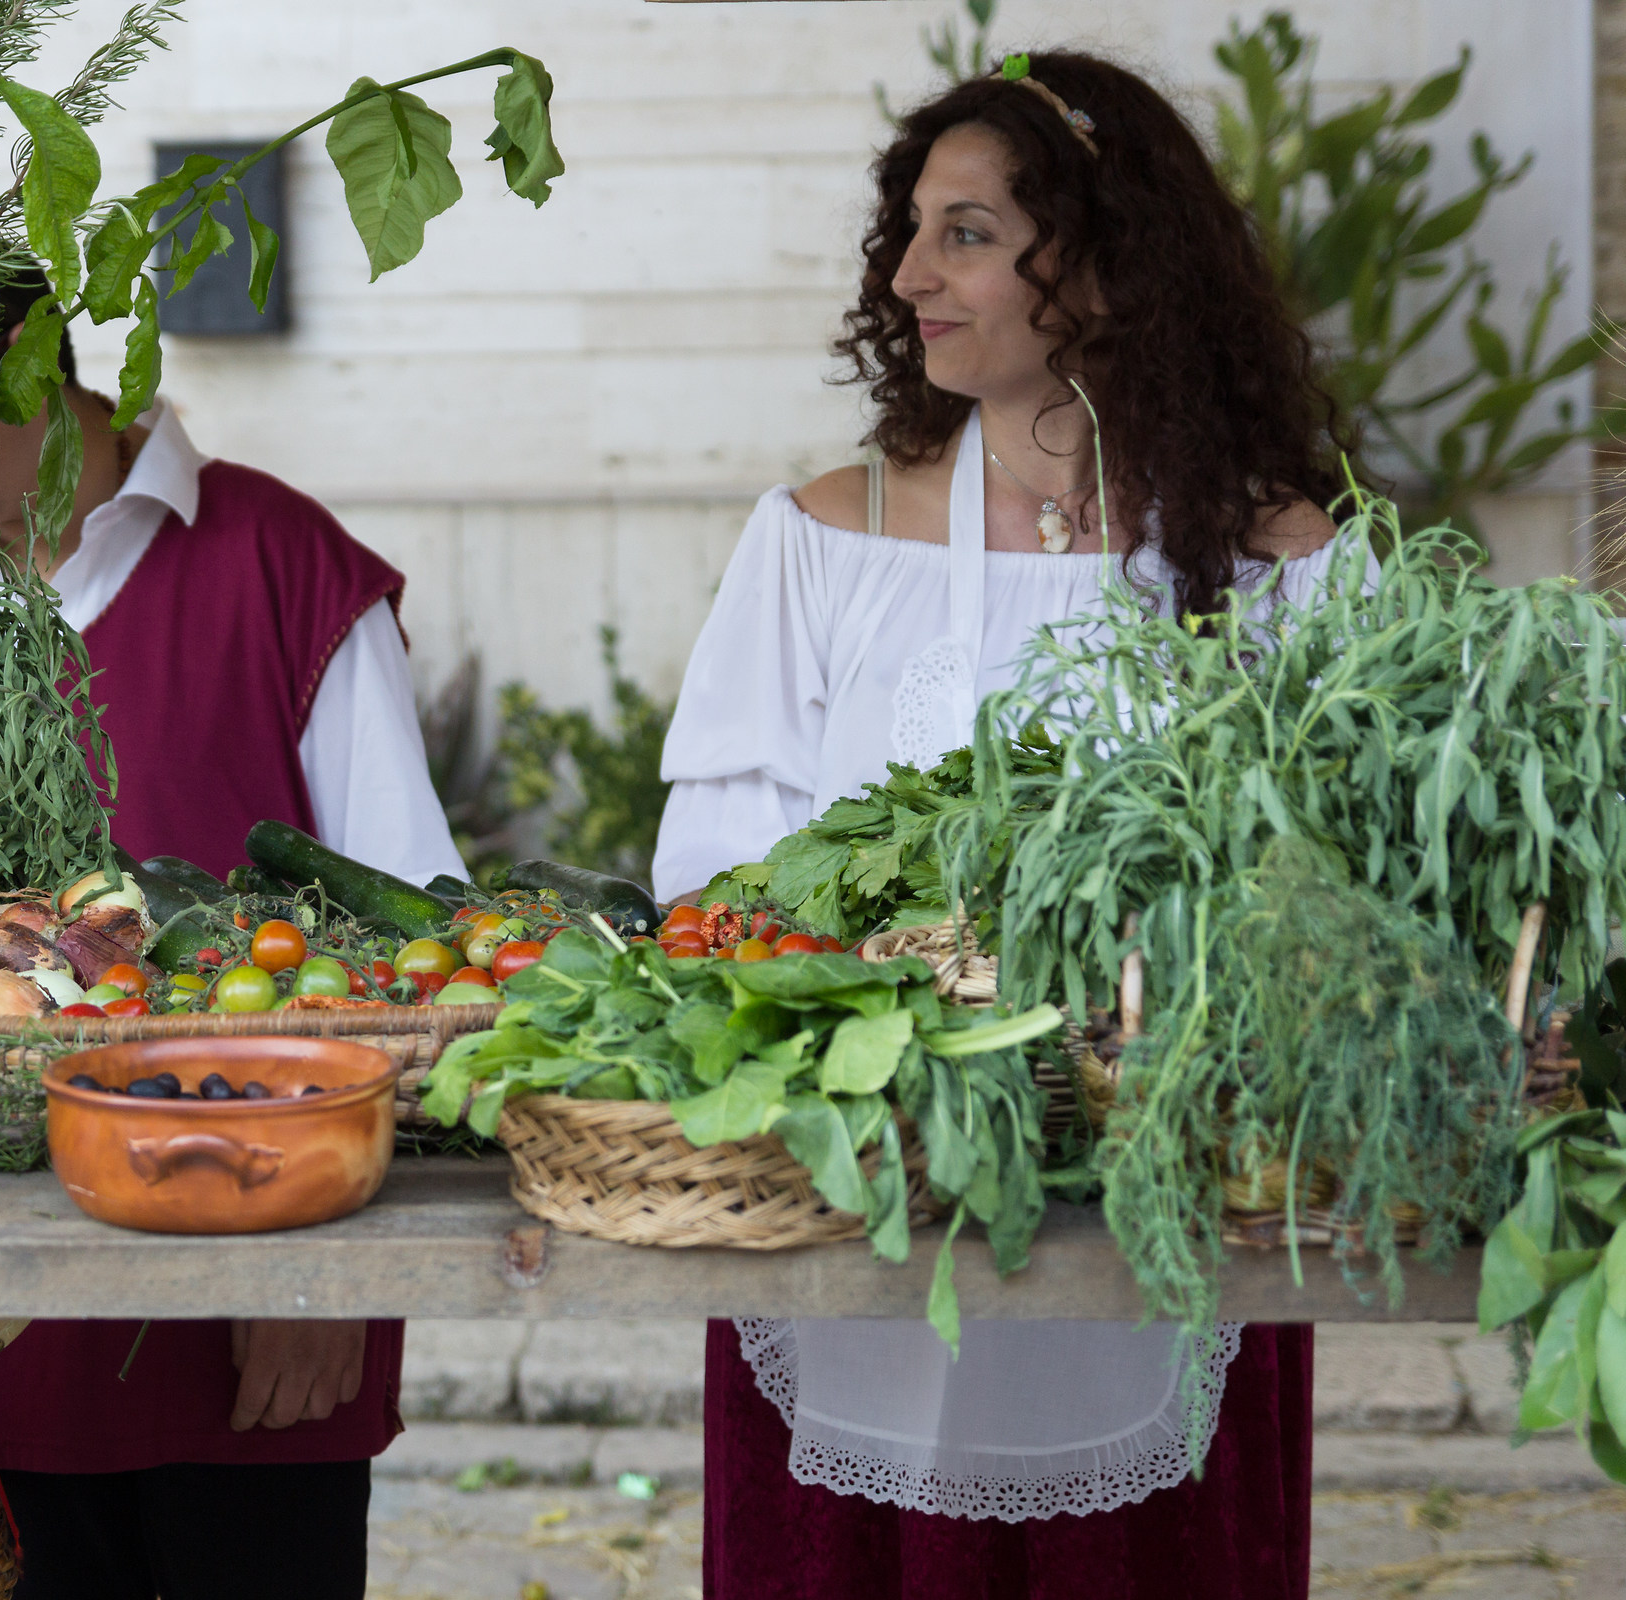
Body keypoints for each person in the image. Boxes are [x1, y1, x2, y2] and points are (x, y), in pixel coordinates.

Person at [650, 52, 1355, 1600]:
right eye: (909, 230)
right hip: (863, 1203)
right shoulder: (826, 540)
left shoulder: (1285, 564)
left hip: (1170, 1216)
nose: (908, 274)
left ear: (1104, 259)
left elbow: (1344, 893)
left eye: (964, 232)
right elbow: (710, 879)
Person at [0, 277, 465, 1600]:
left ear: (24, 371)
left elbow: (409, 955)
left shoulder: (282, 566)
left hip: (257, 1326)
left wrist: (322, 1281)